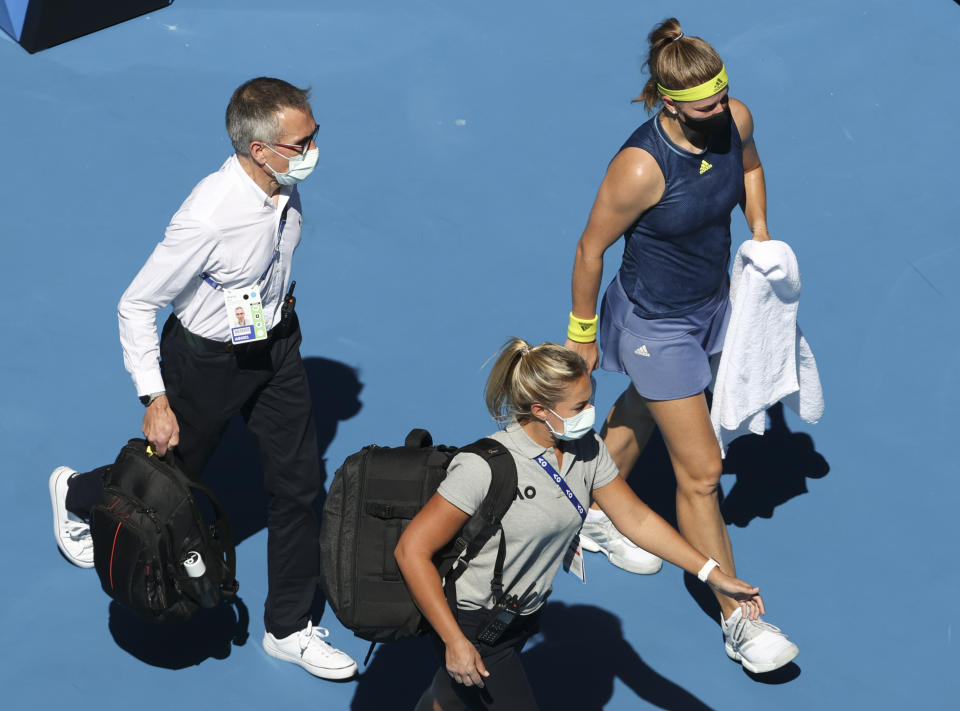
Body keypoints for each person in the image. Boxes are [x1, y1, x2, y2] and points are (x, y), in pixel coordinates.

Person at [47, 77, 357, 680]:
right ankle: (77, 494)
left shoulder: (284, 188)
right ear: (259, 150)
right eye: (301, 143)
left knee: (298, 487)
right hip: (204, 363)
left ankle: (288, 626)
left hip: (277, 347)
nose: (314, 149)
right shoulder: (208, 217)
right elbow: (136, 305)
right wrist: (155, 396)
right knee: (166, 486)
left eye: (314, 135)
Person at [563, 18, 798, 673]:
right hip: (653, 324)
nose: (720, 112)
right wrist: (583, 336)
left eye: (724, 98)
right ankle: (738, 618)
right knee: (699, 474)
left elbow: (749, 167)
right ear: (669, 103)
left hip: (715, 304)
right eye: (706, 106)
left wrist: (760, 234)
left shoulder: (735, 120)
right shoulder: (639, 167)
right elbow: (590, 247)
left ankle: (587, 502)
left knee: (646, 404)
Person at [395, 339, 765, 710]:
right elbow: (411, 550)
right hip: (472, 621)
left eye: (590, 400)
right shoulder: (483, 466)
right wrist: (454, 641)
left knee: (450, 696)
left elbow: (635, 518)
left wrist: (712, 574)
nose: (590, 412)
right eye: (579, 407)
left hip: (523, 612)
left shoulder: (587, 450)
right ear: (540, 409)